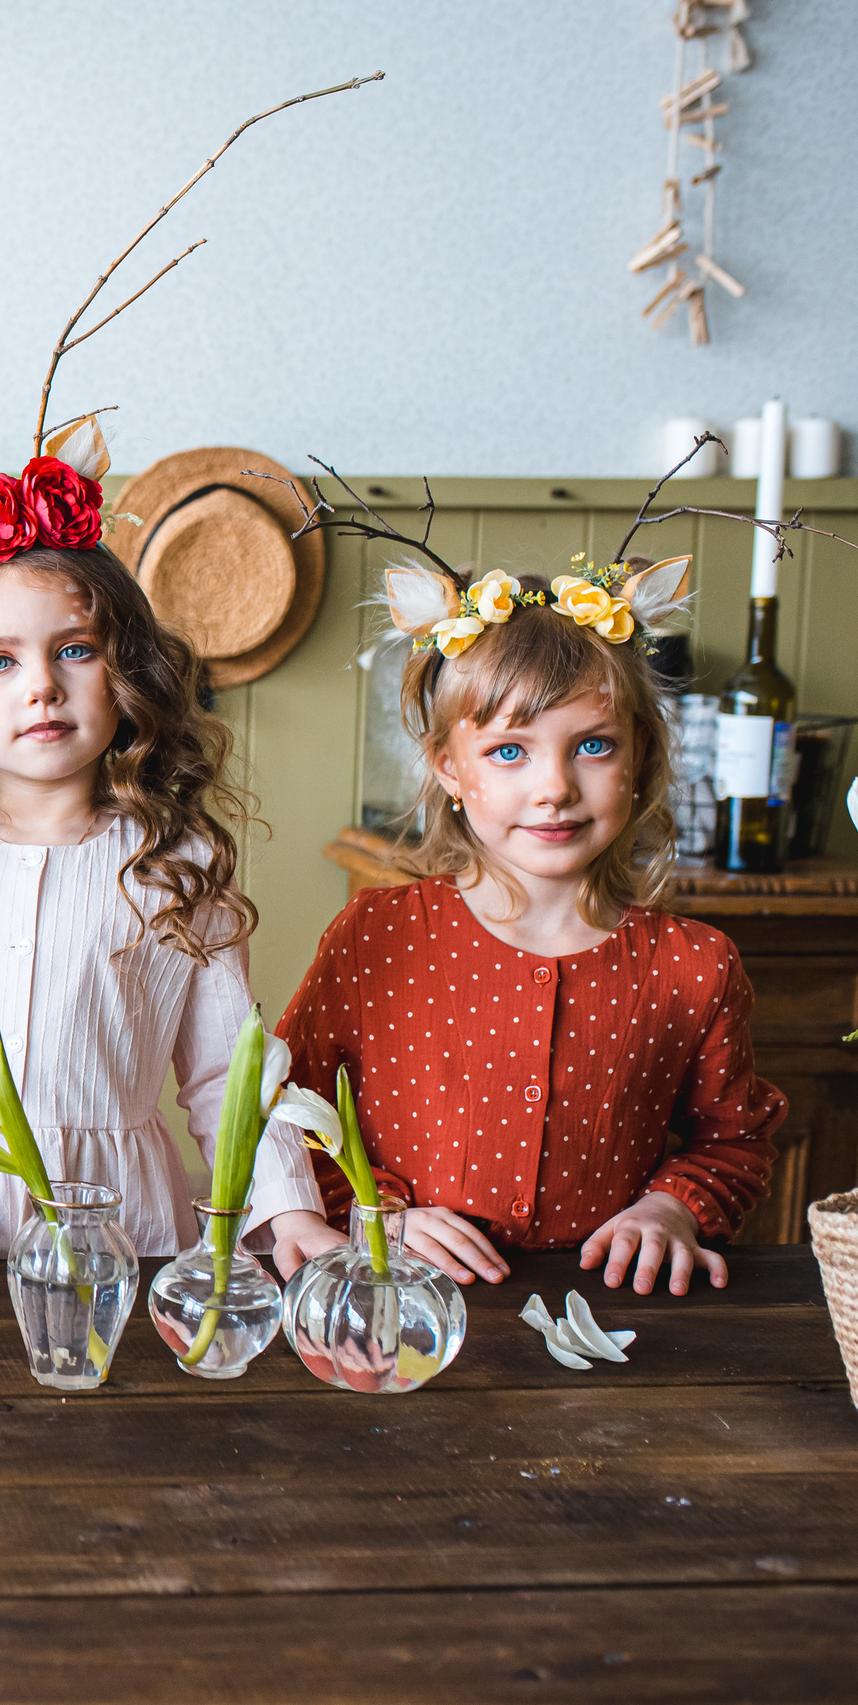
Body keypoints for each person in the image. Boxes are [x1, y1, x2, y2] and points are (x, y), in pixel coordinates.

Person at [0, 436, 335, 1274]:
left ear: (126, 672)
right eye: (0, 660)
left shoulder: (176, 861)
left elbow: (226, 1077)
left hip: (121, 1242)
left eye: (74, 650)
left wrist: (290, 1210)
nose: (41, 685)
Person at [276, 552, 783, 1295]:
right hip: (399, 1299)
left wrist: (670, 1208)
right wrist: (375, 1214)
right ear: (448, 765)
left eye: (594, 745)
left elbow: (734, 1138)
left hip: (607, 1319)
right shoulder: (375, 936)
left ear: (641, 752)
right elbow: (288, 1115)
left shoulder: (694, 965)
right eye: (509, 751)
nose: (554, 787)